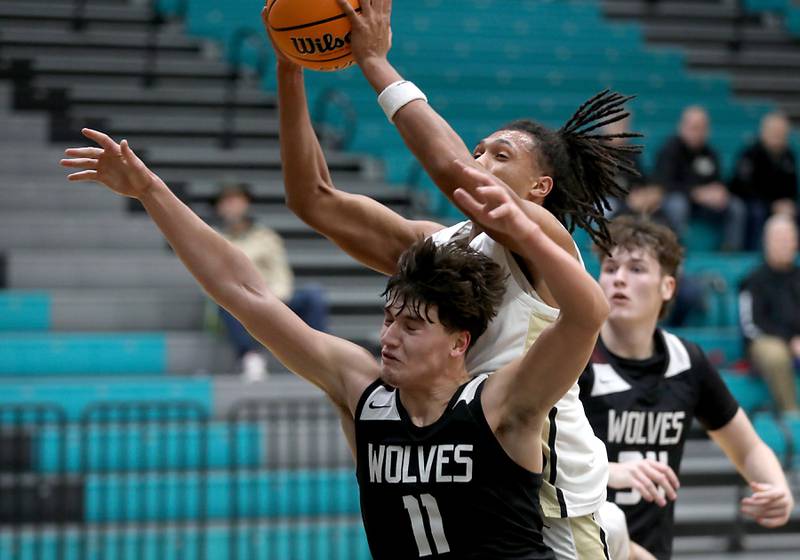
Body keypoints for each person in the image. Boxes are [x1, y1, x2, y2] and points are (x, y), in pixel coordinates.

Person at [59, 128, 610, 559]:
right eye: (390, 319)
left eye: (412, 327)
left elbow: (585, 316)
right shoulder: (364, 392)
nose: (388, 338)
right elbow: (243, 291)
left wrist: (524, 226)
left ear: (459, 342)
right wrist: (151, 191)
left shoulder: (503, 405)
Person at [267, 2, 637, 554]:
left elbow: (452, 172)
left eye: (501, 154)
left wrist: (373, 61)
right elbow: (312, 200)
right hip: (480, 472)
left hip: (554, 495)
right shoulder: (442, 246)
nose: (481, 159)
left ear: (539, 187)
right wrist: (290, 66)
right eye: (479, 148)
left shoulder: (546, 241)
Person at [578, 216, 794, 559]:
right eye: (610, 267)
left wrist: (777, 487)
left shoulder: (686, 361)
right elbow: (540, 461)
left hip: (654, 549)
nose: (619, 278)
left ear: (668, 287)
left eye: (636, 269)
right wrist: (610, 472)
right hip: (585, 546)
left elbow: (749, 449)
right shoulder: (575, 357)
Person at [214, 182, 329, 380]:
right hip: (242, 303)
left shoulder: (267, 236)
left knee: (313, 294)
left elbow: (281, 273)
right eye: (227, 200)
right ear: (219, 206)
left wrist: (275, 299)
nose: (232, 205)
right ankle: (250, 357)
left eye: (236, 199)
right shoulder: (214, 239)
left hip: (276, 298)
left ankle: (319, 355)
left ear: (246, 203)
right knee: (225, 303)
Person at [653, 106, 746, 251]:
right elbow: (664, 184)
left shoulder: (710, 153)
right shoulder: (669, 150)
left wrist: (719, 192)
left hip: (705, 205)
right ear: (682, 127)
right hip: (678, 201)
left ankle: (731, 250)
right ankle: (676, 249)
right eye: (694, 127)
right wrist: (696, 193)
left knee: (735, 206)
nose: (698, 133)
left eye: (702, 128)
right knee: (677, 204)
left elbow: (717, 180)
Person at [739, 214, 800, 415]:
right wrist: (789, 340)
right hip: (764, 341)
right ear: (767, 242)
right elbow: (751, 325)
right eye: (779, 239)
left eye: (789, 238)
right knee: (776, 355)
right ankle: (792, 416)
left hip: (795, 341)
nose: (784, 244)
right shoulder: (753, 279)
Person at [730, 112, 798, 250]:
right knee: (756, 211)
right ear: (764, 132)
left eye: (782, 133)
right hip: (753, 201)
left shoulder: (788, 156)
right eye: (775, 132)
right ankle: (752, 251)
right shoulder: (750, 154)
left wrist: (788, 202)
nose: (778, 136)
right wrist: (772, 204)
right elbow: (743, 187)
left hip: (778, 203)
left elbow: (792, 186)